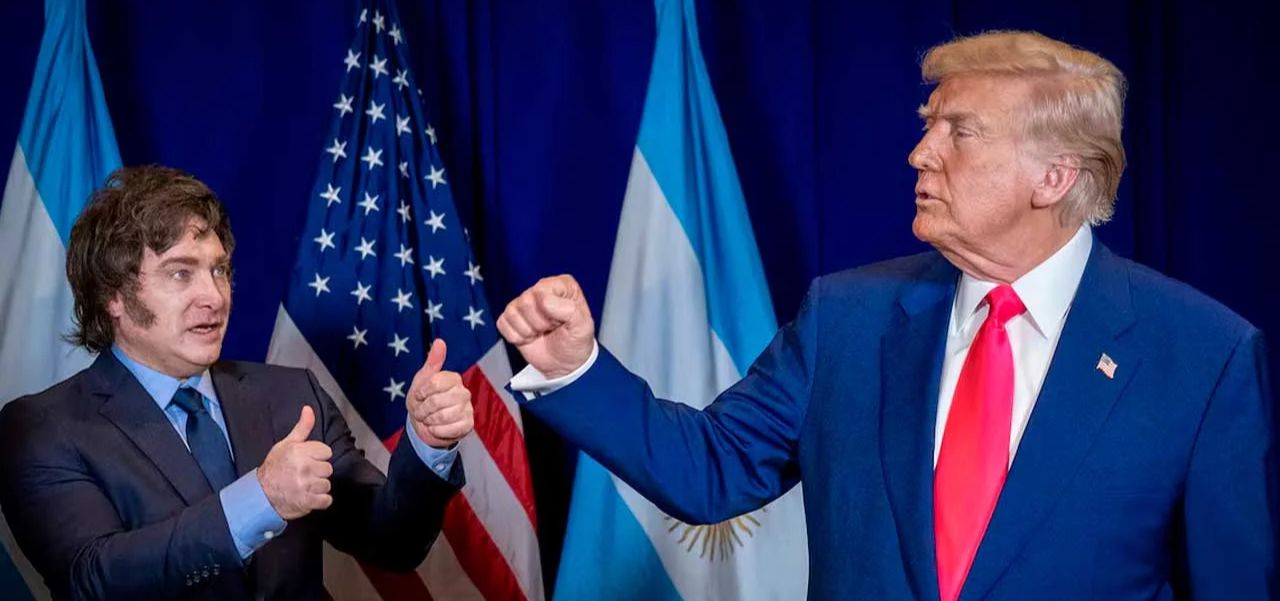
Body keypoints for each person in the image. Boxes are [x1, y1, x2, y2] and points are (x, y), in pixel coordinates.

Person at [498, 31, 1276, 599]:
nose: (920, 152)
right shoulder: (846, 319)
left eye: (958, 131)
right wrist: (575, 368)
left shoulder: (1203, 357)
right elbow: (710, 467)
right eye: (928, 123)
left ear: (1053, 177)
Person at [0, 165, 474, 600]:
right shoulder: (43, 427)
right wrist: (261, 499)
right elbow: (91, 580)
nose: (214, 296)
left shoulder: (292, 394)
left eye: (219, 270)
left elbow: (393, 543)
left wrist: (427, 444)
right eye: (180, 273)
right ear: (113, 297)